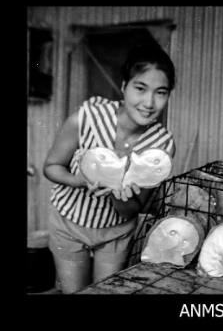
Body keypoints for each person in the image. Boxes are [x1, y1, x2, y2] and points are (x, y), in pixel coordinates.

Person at [43, 43, 176, 294]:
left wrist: (119, 195)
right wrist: (79, 180)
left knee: (107, 291)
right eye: (140, 88)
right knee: (75, 291)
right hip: (69, 223)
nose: (149, 102)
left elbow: (133, 208)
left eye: (161, 92)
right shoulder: (87, 118)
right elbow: (51, 166)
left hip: (116, 233)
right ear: (124, 86)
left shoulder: (161, 146)